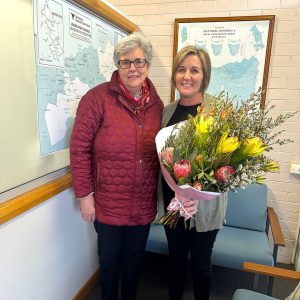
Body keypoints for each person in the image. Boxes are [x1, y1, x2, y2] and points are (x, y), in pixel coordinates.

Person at [70, 33, 163, 300]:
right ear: (117, 65)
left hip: (142, 203)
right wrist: (86, 196)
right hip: (108, 204)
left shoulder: (157, 105)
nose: (133, 68)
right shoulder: (96, 98)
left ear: (147, 64)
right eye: (125, 62)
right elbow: (79, 149)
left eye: (139, 61)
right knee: (109, 265)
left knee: (134, 264)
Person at [161, 45, 228, 300]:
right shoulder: (167, 112)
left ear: (204, 76)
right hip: (172, 206)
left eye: (194, 70)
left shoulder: (218, 111)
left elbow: (227, 165)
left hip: (205, 208)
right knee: (175, 261)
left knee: (201, 265)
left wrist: (196, 193)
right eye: (181, 69)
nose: (186, 76)